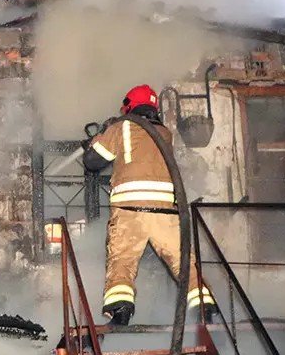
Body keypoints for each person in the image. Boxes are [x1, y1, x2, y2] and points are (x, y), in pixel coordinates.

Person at [82, 85, 216, 326]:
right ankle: (205, 307)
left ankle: (120, 311)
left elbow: (93, 161)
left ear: (129, 106)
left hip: (130, 211)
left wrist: (100, 136)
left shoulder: (121, 127)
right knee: (183, 261)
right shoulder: (164, 133)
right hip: (166, 212)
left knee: (122, 260)